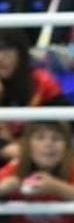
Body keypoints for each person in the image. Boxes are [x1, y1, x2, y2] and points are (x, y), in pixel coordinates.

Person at [0, 28, 66, 165]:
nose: (1, 57)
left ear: (21, 52)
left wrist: (26, 147)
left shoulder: (41, 82)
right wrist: (5, 148)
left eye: (7, 50)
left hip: (40, 154)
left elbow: (65, 124)